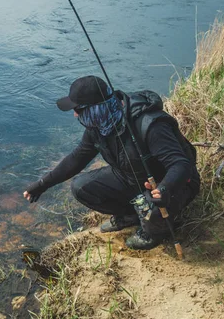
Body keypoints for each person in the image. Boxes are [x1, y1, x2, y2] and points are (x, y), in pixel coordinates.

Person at [23, 75, 200, 250]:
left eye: (78, 109)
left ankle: (154, 233)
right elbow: (77, 158)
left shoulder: (149, 124)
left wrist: (165, 188)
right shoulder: (99, 125)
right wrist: (43, 184)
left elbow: (180, 164)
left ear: (95, 108)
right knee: (81, 187)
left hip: (173, 183)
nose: (75, 114)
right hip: (131, 177)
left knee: (152, 207)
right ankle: (132, 215)